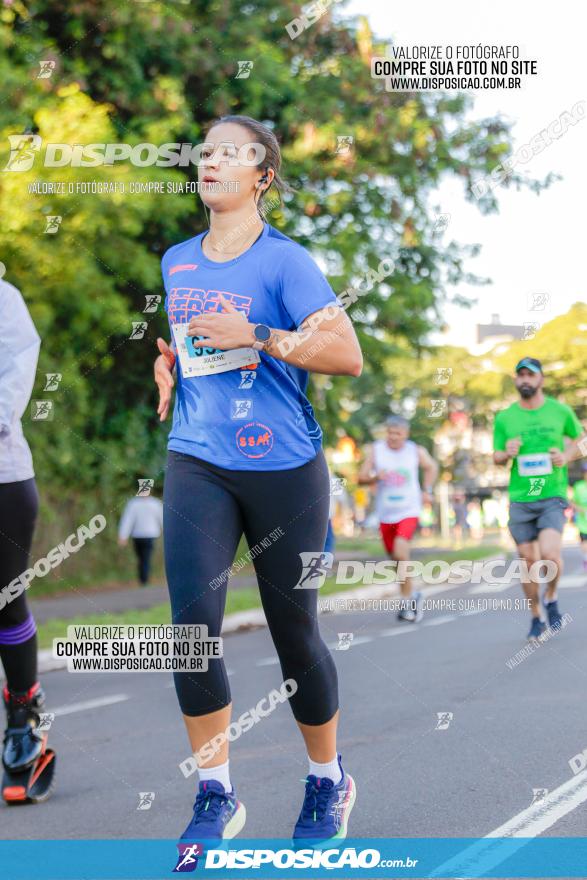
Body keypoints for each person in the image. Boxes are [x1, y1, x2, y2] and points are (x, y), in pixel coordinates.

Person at [153, 115, 363, 843]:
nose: (207, 162)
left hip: (283, 468)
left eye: (226, 154)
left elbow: (344, 353)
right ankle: (215, 793)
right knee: (190, 630)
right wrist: (169, 363)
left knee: (294, 633)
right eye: (203, 151)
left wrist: (262, 336)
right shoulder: (176, 259)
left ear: (261, 176)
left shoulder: (286, 261)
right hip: (197, 458)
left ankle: (327, 781)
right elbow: (188, 338)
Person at [0, 279, 56, 803]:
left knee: (5, 600)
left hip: (3, 478)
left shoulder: (4, 298)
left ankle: (22, 712)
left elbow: (17, 369)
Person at [493, 357, 585, 641]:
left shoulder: (560, 411)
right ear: (515, 380)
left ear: (541, 379)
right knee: (528, 560)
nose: (525, 380)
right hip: (521, 498)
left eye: (530, 375)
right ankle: (535, 615)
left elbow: (582, 441)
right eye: (520, 375)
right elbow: (495, 457)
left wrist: (566, 455)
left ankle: (552, 595)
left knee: (550, 556)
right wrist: (506, 452)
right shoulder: (505, 417)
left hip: (551, 495)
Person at [358, 416, 438, 622]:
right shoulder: (376, 450)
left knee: (402, 553)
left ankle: (408, 603)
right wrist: (376, 477)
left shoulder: (415, 451)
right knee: (395, 559)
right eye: (390, 433)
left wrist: (427, 490)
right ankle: (411, 596)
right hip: (386, 514)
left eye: (398, 434)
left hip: (409, 510)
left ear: (406, 434)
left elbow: (431, 467)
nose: (393, 437)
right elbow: (360, 478)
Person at [117, 492, 164, 585]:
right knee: (142, 557)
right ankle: (143, 578)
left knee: (145, 557)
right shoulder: (134, 503)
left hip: (149, 535)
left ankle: (144, 579)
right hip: (138, 535)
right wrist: (123, 536)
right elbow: (128, 520)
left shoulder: (154, 503)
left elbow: (162, 519)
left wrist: (123, 536)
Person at [572, 462, 587, 571]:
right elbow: (572, 502)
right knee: (584, 544)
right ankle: (586, 560)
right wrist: (579, 509)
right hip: (583, 523)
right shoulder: (579, 486)